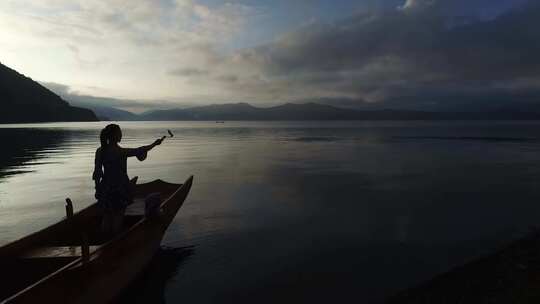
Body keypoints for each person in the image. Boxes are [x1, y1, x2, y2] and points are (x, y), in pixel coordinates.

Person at [92, 124, 163, 237]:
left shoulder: (100, 151)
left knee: (107, 216)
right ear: (115, 135)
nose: (121, 134)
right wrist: (154, 144)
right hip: (119, 188)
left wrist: (97, 188)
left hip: (105, 187)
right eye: (119, 132)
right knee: (118, 216)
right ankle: (114, 244)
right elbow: (139, 150)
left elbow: (97, 172)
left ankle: (103, 242)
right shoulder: (120, 152)